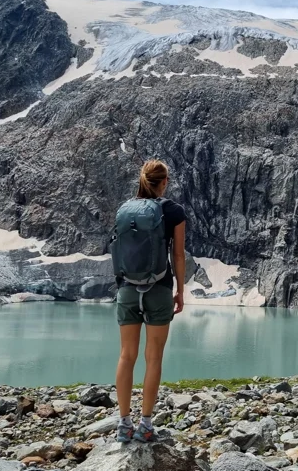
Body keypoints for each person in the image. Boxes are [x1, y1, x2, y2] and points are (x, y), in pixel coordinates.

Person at [114, 159, 186, 443]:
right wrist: (180, 290)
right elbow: (178, 255)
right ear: (164, 182)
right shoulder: (174, 211)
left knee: (126, 356)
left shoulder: (125, 210)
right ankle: (145, 425)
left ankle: (123, 424)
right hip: (158, 289)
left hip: (128, 289)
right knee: (153, 357)